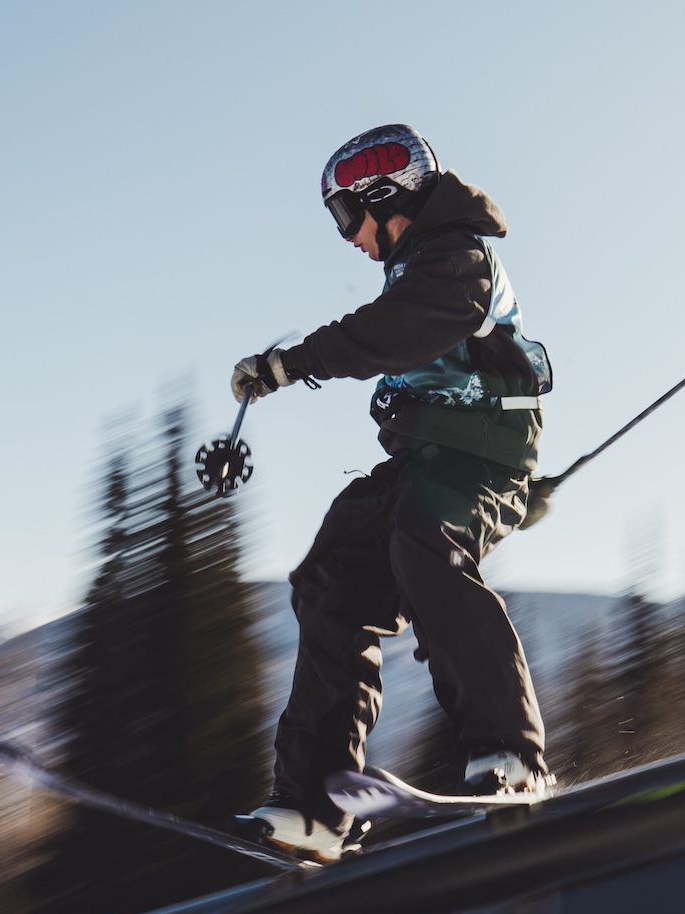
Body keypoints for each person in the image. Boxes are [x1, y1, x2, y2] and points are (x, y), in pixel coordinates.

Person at [228, 124, 557, 864]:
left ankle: (510, 752)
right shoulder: (418, 265)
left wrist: (290, 364)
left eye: (349, 217)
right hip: (428, 458)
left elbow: (393, 334)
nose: (347, 238)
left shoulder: (457, 261)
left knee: (421, 536)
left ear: (389, 198)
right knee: (332, 574)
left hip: (478, 458)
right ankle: (315, 804)